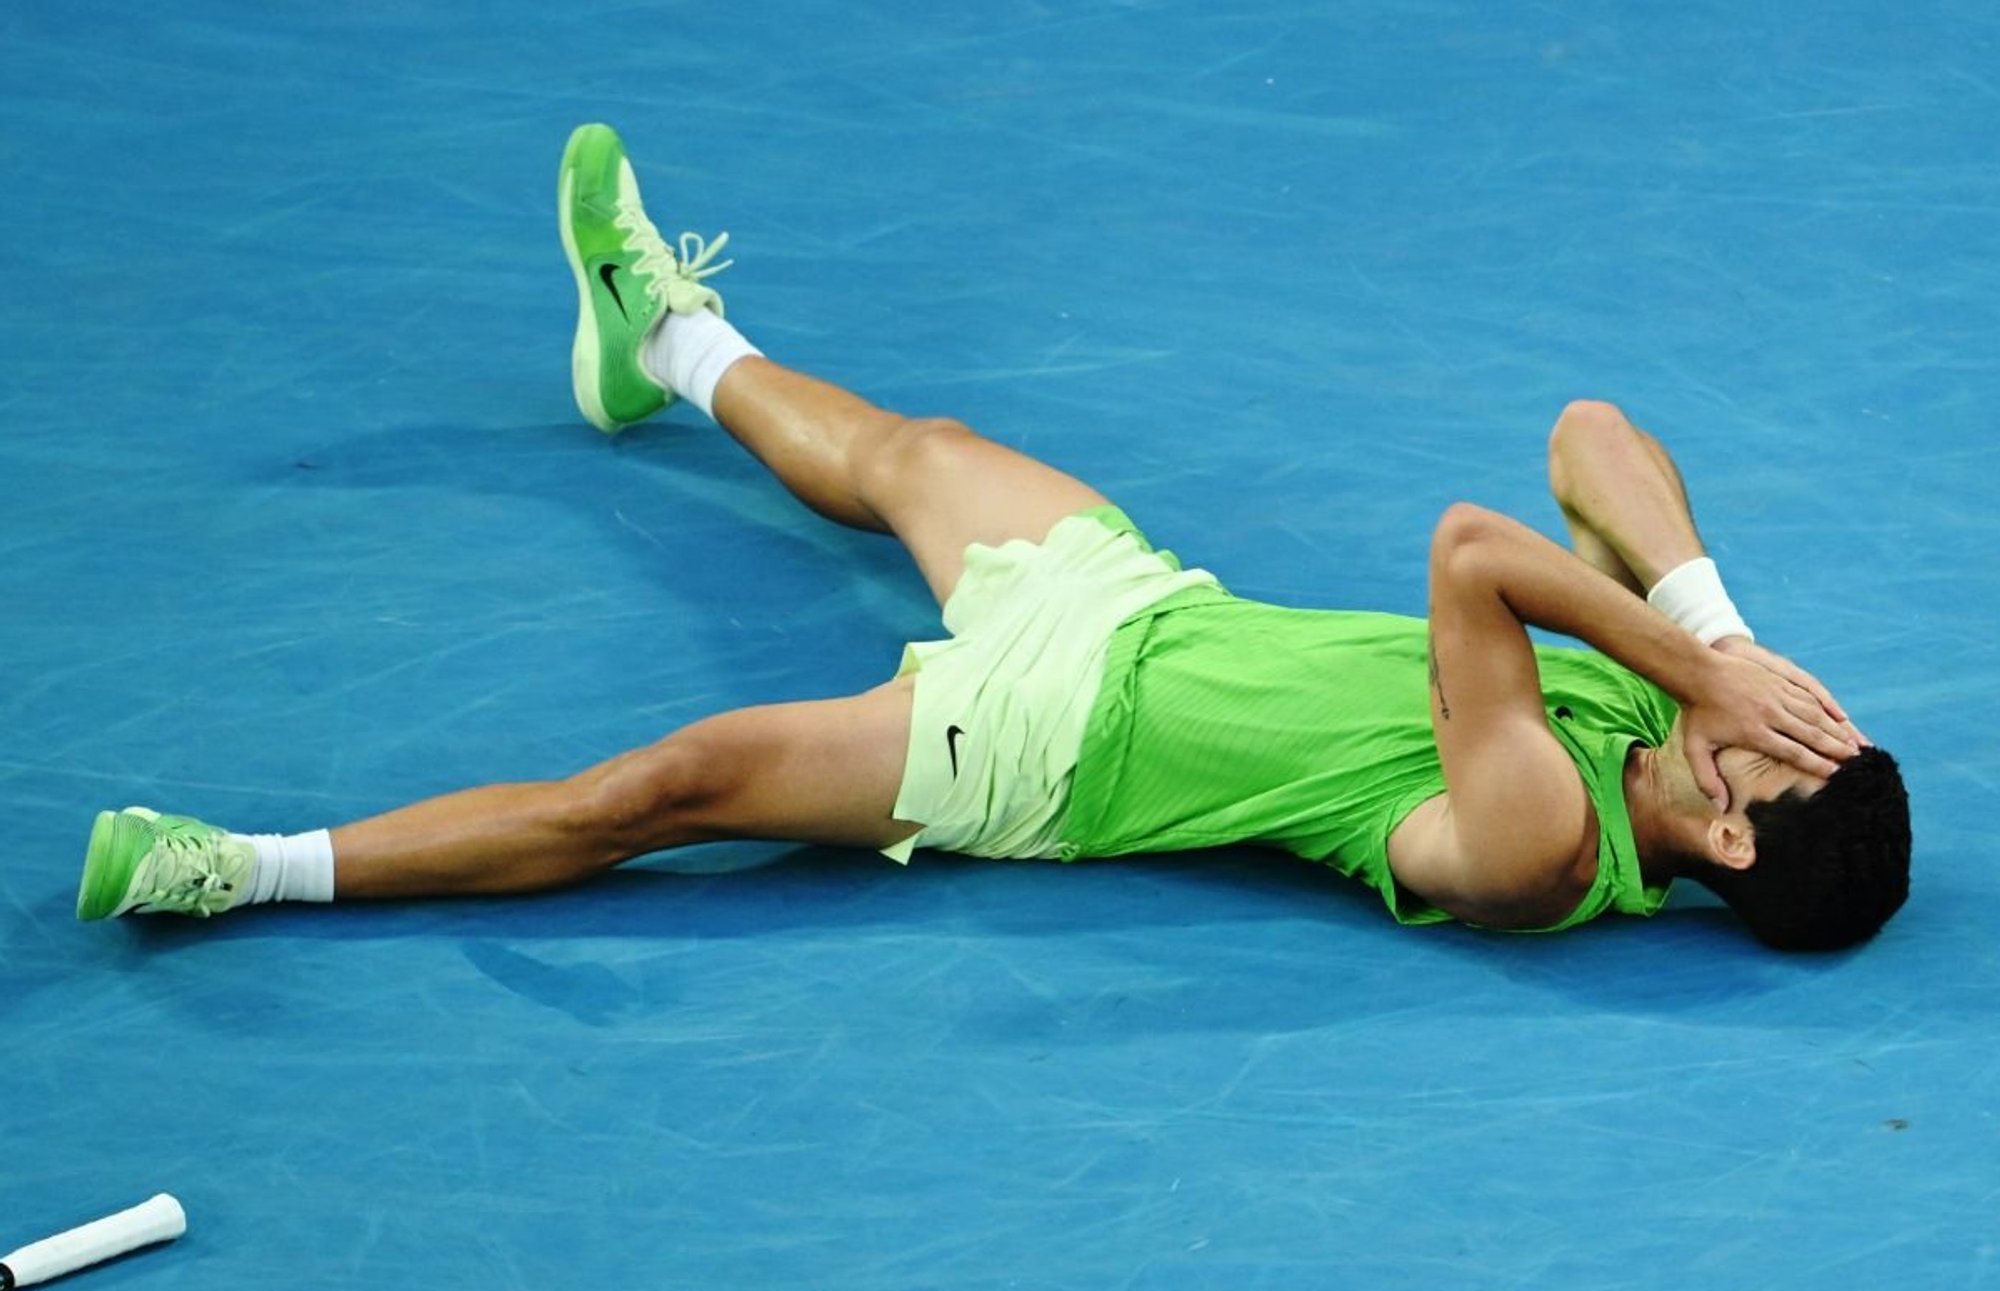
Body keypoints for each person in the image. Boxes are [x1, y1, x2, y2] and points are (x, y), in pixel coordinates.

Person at [75, 124, 1910, 951]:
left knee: (660, 787)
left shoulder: (1543, 844)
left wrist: (1700, 659)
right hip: (1132, 607)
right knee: (910, 448)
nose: (1770, 705)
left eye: (1780, 740)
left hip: (1044, 751)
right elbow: (1595, 436)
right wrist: (1719, 624)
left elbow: (1473, 547)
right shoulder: (1693, 722)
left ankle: (240, 868)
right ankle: (662, 340)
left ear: (1734, 820)